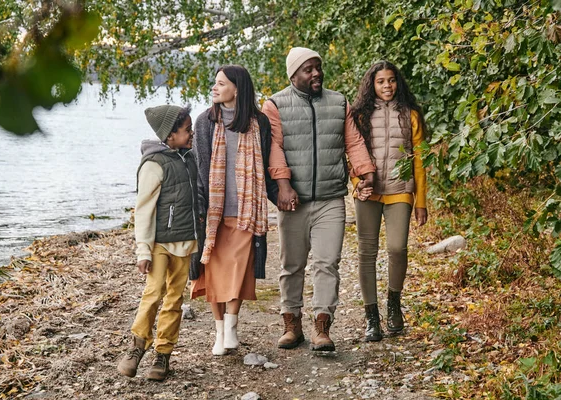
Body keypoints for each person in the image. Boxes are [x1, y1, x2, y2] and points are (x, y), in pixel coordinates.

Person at [261, 47, 376, 352]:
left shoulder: (338, 102)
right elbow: (273, 147)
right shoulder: (274, 105)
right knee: (291, 265)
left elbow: (353, 141)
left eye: (318, 67)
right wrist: (283, 185)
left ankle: (322, 328)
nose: (316, 73)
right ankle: (292, 325)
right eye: (308, 69)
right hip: (293, 201)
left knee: (327, 263)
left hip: (330, 199)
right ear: (293, 74)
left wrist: (365, 171)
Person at [190, 65, 277, 356]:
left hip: (246, 209)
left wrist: (282, 195)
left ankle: (232, 327)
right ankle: (218, 331)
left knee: (240, 268)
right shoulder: (205, 122)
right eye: (214, 83)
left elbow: (265, 168)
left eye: (221, 84)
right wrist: (199, 210)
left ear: (237, 89)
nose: (214, 88)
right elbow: (200, 168)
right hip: (212, 211)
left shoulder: (259, 123)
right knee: (212, 271)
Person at [117, 104, 198, 381]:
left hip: (184, 242)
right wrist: (143, 251)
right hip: (159, 244)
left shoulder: (188, 158)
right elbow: (144, 210)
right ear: (170, 135)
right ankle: (137, 346)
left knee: (175, 299)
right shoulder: (153, 164)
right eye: (187, 130)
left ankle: (163, 354)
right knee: (153, 294)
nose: (192, 133)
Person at [350, 60, 429, 342]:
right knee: (366, 252)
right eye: (381, 81)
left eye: (391, 80)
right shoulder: (359, 116)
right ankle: (372, 317)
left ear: (398, 82)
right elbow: (351, 154)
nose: (387, 86)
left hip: (400, 191)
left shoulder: (411, 116)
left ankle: (394, 304)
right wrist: (358, 183)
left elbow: (419, 160)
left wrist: (421, 200)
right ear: (372, 84)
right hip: (368, 193)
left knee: (397, 249)